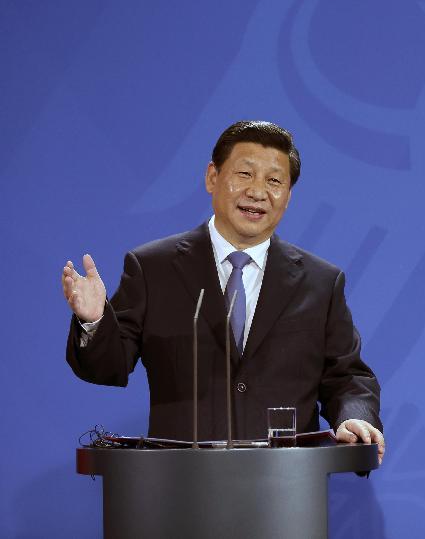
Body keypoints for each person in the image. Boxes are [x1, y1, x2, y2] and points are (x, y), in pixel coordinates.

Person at [62, 120, 384, 462]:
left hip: (287, 492)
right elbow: (107, 367)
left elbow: (347, 376)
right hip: (180, 488)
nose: (258, 192)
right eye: (244, 174)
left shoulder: (320, 281)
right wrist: (95, 320)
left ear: (288, 196)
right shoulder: (153, 268)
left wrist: (354, 418)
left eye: (274, 181)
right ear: (212, 177)